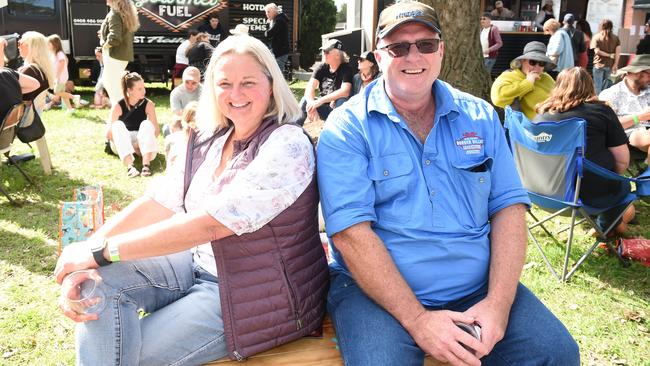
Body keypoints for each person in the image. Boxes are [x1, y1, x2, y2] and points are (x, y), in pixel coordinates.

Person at [317, 2, 580, 365]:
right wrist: (418, 320)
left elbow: (508, 209)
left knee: (557, 354)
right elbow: (350, 234)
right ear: (379, 55)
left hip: (476, 288)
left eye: (425, 44)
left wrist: (498, 305)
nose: (414, 56)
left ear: (441, 49)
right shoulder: (348, 127)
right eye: (398, 47)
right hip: (376, 294)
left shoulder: (480, 115)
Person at [54, 34, 328, 366]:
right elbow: (160, 201)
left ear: (272, 85)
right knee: (95, 286)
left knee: (125, 353)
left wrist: (101, 252)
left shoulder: (287, 144)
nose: (235, 94)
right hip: (196, 264)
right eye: (224, 83)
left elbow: (211, 223)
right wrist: (86, 254)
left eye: (248, 82)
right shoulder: (214, 137)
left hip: (254, 296)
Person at [535, 67, 636, 234]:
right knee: (626, 202)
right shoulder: (601, 111)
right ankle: (607, 226)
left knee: (626, 208)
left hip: (543, 193)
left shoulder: (541, 115)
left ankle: (609, 222)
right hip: (590, 195)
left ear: (557, 86)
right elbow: (622, 160)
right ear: (590, 87)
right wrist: (609, 178)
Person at [598, 54, 650, 164]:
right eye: (649, 75)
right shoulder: (611, 94)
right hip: (628, 134)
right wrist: (639, 117)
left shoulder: (648, 91)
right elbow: (607, 126)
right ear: (637, 73)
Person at [106, 72, 160, 178]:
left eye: (143, 87)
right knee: (117, 125)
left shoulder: (148, 104)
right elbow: (109, 135)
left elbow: (156, 131)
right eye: (139, 89)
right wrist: (131, 146)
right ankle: (130, 167)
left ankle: (146, 165)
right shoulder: (118, 105)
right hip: (121, 142)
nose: (144, 91)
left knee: (147, 124)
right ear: (129, 90)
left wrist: (138, 144)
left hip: (140, 141)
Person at [491, 41, 556, 120]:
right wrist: (528, 83)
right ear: (523, 61)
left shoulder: (546, 77)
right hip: (531, 127)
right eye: (533, 62)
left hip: (556, 120)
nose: (537, 67)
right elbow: (498, 99)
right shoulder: (509, 76)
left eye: (541, 63)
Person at [297, 39, 353, 125]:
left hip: (336, 109)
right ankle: (293, 128)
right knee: (305, 99)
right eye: (323, 51)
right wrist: (311, 104)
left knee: (341, 100)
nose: (324, 54)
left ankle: (337, 132)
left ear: (338, 55)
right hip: (323, 107)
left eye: (327, 52)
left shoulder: (346, 69)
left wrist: (320, 101)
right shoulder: (322, 67)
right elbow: (310, 87)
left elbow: (345, 91)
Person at [99, 0, 139, 106]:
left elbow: (115, 38)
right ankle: (123, 111)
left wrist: (104, 45)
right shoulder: (125, 14)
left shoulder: (114, 14)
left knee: (112, 86)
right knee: (115, 85)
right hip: (122, 55)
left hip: (114, 55)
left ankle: (121, 113)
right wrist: (104, 35)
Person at [17, 31, 55, 110]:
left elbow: (8, 93)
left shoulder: (30, 70)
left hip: (21, 119)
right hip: (32, 118)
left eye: (20, 43)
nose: (18, 47)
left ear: (31, 47)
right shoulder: (40, 70)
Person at [47, 34, 76, 112]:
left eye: (49, 44)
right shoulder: (55, 54)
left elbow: (62, 64)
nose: (47, 46)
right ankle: (70, 109)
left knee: (57, 92)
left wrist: (56, 76)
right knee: (62, 93)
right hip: (60, 77)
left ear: (54, 44)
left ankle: (74, 97)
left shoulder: (59, 53)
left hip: (60, 77)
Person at [591, 19, 620, 94]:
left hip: (598, 65)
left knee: (597, 87)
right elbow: (618, 52)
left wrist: (608, 55)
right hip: (609, 65)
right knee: (606, 87)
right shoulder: (616, 38)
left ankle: (597, 103)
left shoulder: (596, 37)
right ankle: (604, 103)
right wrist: (615, 64)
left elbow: (597, 51)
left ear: (601, 26)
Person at [264, 3, 291, 72]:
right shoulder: (278, 19)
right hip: (277, 51)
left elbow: (269, 34)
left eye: (268, 12)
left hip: (280, 52)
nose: (266, 14)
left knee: (277, 73)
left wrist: (268, 26)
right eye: (266, 12)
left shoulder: (279, 20)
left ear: (274, 11)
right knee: (274, 73)